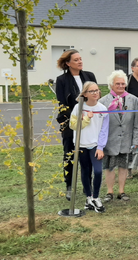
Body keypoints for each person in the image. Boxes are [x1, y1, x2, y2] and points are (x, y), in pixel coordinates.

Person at [55, 49, 97, 200]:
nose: (80, 61)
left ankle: (88, 186)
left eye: (80, 59)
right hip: (70, 123)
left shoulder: (89, 76)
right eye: (76, 60)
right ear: (68, 63)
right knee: (70, 154)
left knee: (86, 155)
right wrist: (72, 119)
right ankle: (69, 186)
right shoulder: (61, 80)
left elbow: (95, 95)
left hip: (88, 121)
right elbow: (62, 104)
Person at [99, 70, 138, 202]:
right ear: (111, 85)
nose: (120, 86)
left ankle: (121, 191)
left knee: (123, 166)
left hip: (126, 139)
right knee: (109, 166)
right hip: (110, 140)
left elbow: (137, 122)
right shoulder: (103, 101)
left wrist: (136, 140)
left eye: (123, 84)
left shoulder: (133, 100)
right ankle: (110, 192)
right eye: (117, 83)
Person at [69, 82, 108, 213]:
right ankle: (89, 198)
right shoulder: (78, 107)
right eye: (92, 91)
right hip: (81, 144)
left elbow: (104, 129)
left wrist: (100, 147)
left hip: (95, 146)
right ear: (85, 94)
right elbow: (73, 126)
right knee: (85, 171)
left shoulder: (103, 108)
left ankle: (96, 197)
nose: (96, 93)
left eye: (97, 90)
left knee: (97, 171)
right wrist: (86, 118)